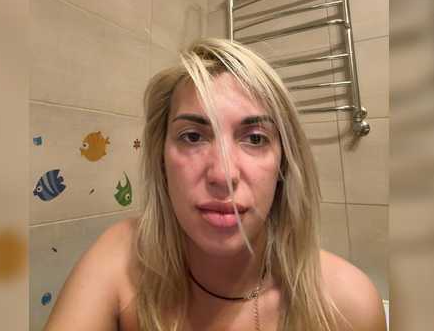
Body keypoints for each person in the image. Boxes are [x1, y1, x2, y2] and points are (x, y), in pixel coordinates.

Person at [43, 38, 386, 331]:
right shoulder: (122, 257)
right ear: (161, 160)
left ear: (283, 164)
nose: (222, 175)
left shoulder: (348, 306)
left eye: (255, 138)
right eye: (192, 136)